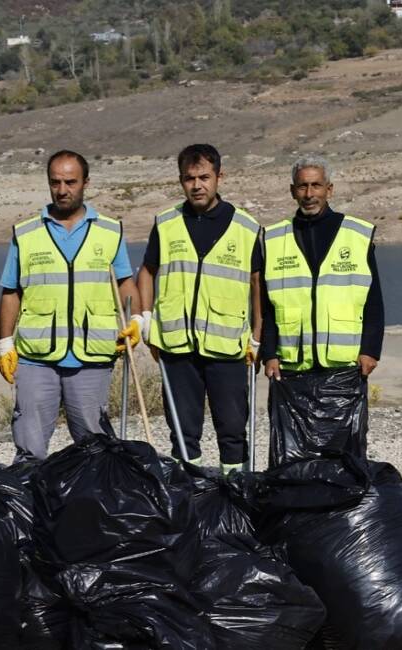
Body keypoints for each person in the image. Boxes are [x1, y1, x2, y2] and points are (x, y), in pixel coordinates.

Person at [0, 150, 141, 462]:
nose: (62, 190)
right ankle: (29, 504)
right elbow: (11, 291)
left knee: (96, 447)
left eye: (70, 182)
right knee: (29, 446)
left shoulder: (110, 231)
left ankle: (93, 507)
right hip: (37, 358)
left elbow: (126, 283)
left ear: (86, 182)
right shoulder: (26, 233)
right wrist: (5, 343)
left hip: (92, 357)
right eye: (55, 182)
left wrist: (138, 320)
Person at [137, 144, 263, 474]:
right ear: (181, 180)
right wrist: (146, 318)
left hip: (227, 347)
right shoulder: (166, 223)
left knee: (233, 430)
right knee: (182, 432)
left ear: (219, 177)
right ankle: (186, 495)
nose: (197, 185)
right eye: (189, 178)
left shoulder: (246, 228)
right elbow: (147, 272)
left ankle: (235, 496)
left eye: (204, 177)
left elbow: (256, 284)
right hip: (176, 347)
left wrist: (258, 336)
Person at [260, 156, 384, 460]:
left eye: (316, 185)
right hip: (292, 366)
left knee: (346, 448)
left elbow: (374, 300)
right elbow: (267, 305)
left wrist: (370, 350)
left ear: (330, 189)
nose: (309, 193)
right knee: (294, 451)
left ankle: (343, 503)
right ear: (292, 191)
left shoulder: (356, 234)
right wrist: (270, 354)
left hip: (344, 365)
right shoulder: (274, 238)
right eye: (302, 186)